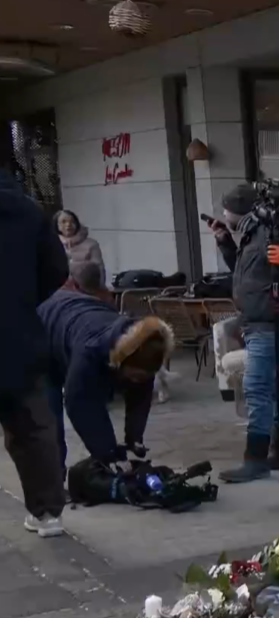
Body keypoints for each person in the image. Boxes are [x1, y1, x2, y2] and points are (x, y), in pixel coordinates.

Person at [208, 183, 279, 483]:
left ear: (239, 209)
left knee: (257, 387)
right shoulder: (251, 235)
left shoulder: (270, 230)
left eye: (226, 210)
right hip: (259, 322)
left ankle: (256, 458)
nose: (224, 215)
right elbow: (246, 272)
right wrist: (226, 243)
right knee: (276, 385)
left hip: (270, 323)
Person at [0, 168, 73, 536]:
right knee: (32, 428)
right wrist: (22, 302)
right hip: (17, 336)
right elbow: (57, 269)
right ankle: (47, 513)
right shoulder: (29, 212)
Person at [38, 280, 172, 473]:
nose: (136, 382)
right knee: (50, 418)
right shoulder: (90, 352)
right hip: (43, 330)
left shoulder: (142, 349)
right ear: (119, 362)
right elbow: (81, 405)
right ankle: (52, 484)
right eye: (133, 376)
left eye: (142, 378)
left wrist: (134, 438)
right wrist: (108, 454)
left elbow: (140, 396)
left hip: (77, 316)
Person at [55, 209, 106, 286]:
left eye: (72, 221)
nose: (68, 224)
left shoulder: (91, 244)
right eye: (63, 222)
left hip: (88, 289)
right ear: (57, 225)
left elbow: (99, 270)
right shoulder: (53, 244)